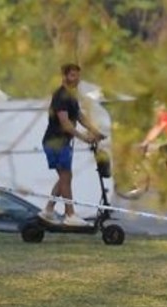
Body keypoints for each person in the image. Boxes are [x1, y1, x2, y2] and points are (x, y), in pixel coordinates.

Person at [41, 63, 105, 227]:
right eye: (72, 75)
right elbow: (65, 123)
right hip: (55, 142)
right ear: (64, 76)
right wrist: (84, 137)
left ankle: (48, 210)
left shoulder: (71, 96)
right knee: (66, 176)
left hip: (63, 142)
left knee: (65, 177)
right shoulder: (61, 96)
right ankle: (70, 214)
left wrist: (94, 131)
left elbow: (79, 116)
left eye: (77, 76)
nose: (76, 79)